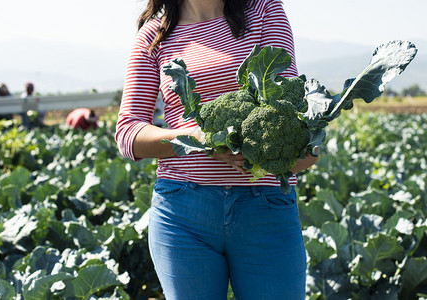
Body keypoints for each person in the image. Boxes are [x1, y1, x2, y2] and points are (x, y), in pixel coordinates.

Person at [116, 0, 319, 299]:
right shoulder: (154, 35)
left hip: (264, 207)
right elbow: (129, 132)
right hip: (182, 213)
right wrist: (197, 139)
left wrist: (259, 155)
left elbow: (290, 112)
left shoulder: (264, 10)